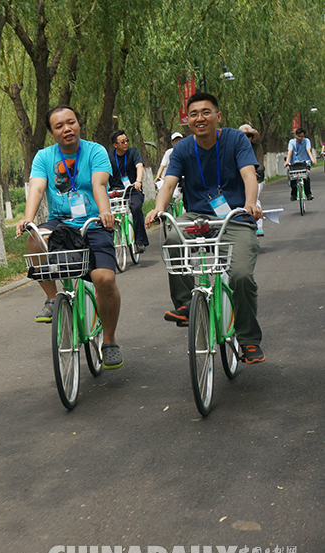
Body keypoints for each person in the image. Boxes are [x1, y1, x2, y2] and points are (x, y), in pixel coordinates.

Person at [146, 92, 266, 364]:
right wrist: (159, 209)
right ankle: (186, 304)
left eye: (206, 112)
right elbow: (169, 183)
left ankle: (248, 340)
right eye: (194, 114)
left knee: (241, 276)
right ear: (187, 120)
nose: (200, 118)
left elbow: (249, 175)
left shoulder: (236, 140)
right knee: (173, 237)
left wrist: (249, 204)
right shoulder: (183, 149)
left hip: (235, 216)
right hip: (197, 215)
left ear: (218, 116)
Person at [15, 105, 124, 369]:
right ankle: (52, 298)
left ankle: (108, 340)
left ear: (78, 123)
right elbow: (38, 187)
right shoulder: (44, 157)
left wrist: (105, 212)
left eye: (71, 122)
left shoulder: (95, 151)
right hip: (61, 223)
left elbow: (99, 184)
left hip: (94, 222)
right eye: (59, 126)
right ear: (52, 132)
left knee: (104, 279)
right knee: (34, 238)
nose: (67, 129)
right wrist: (28, 218)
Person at [108, 129, 150, 252]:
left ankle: (139, 241)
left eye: (127, 141)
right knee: (106, 212)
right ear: (115, 145)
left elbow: (139, 166)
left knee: (136, 207)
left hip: (132, 189)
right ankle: (108, 243)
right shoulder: (109, 156)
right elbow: (104, 173)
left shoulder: (133, 152)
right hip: (116, 191)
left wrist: (138, 181)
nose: (126, 143)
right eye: (122, 142)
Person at [239, 124, 266, 236]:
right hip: (241, 179)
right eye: (244, 136)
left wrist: (256, 172)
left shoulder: (257, 147)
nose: (247, 138)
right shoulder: (236, 148)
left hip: (257, 178)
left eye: (249, 136)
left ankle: (259, 226)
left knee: (254, 199)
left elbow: (260, 163)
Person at [284, 127, 316, 201]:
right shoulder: (292, 142)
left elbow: (308, 150)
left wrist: (312, 159)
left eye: (302, 136)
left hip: (304, 162)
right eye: (299, 136)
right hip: (294, 163)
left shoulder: (306, 141)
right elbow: (290, 152)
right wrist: (287, 162)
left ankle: (308, 194)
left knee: (306, 177)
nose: (300, 138)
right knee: (293, 178)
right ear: (295, 135)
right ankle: (293, 194)